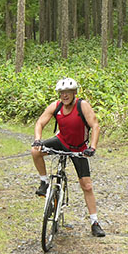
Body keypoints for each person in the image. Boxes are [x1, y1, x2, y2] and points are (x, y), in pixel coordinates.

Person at [30, 77, 106, 237]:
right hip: (61, 141)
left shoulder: (82, 105)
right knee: (36, 152)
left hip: (79, 148)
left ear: (74, 93)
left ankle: (95, 222)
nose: (65, 95)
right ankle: (44, 183)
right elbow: (40, 123)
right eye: (62, 93)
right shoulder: (55, 106)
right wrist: (37, 139)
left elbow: (95, 125)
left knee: (87, 186)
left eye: (68, 93)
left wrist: (92, 148)